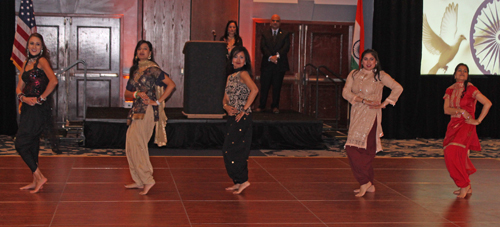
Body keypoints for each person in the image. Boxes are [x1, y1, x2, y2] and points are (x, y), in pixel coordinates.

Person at [342, 49, 403, 197]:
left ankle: (365, 182)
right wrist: (361, 100)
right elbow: (345, 92)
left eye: (371, 59)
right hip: (357, 113)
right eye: (365, 59)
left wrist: (385, 103)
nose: (368, 62)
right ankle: (369, 183)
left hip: (371, 115)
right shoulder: (354, 74)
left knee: (366, 150)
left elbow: (398, 87)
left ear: (376, 62)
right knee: (352, 148)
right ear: (361, 61)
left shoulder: (380, 75)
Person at [124, 40, 176, 195]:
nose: (142, 51)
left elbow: (171, 85)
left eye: (145, 49)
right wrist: (136, 94)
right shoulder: (135, 71)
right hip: (136, 111)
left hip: (147, 111)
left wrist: (158, 101)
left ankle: (147, 180)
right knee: (131, 144)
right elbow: (127, 94)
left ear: (150, 53)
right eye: (139, 49)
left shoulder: (153, 70)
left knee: (138, 144)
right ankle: (139, 180)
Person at [15, 33, 59, 193]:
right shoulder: (26, 62)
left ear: (42, 47)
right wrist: (23, 98)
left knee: (20, 143)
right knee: (32, 143)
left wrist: (40, 98)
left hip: (38, 110)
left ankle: (39, 176)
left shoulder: (41, 61)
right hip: (27, 108)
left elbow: (54, 81)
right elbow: (19, 87)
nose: (34, 46)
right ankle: (35, 180)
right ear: (27, 46)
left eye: (37, 44)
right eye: (31, 43)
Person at [443, 63, 491, 198]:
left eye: (465, 71)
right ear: (455, 74)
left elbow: (488, 103)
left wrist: (478, 121)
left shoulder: (471, 89)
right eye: (459, 70)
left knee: (454, 152)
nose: (462, 73)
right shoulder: (449, 90)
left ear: (468, 75)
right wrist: (461, 111)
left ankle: (463, 185)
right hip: (453, 125)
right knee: (451, 153)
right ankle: (466, 185)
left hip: (466, 125)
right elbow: (446, 110)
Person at [222, 46, 259, 195]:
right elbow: (225, 97)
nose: (237, 60)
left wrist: (244, 109)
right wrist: (226, 107)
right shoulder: (230, 77)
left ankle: (243, 180)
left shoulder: (243, 74)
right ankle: (238, 181)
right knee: (229, 149)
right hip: (232, 116)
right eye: (235, 57)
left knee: (235, 149)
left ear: (245, 61)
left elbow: (255, 90)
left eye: (241, 57)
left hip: (242, 117)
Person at [256, 14, 290, 114]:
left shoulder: (285, 33)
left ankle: (275, 106)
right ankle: (261, 106)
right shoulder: (265, 33)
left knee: (277, 87)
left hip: (279, 65)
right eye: (273, 21)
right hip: (267, 65)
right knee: (264, 87)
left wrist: (277, 56)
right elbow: (263, 47)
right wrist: (271, 57)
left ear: (280, 23)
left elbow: (286, 47)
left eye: (277, 21)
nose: (275, 22)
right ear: (270, 22)